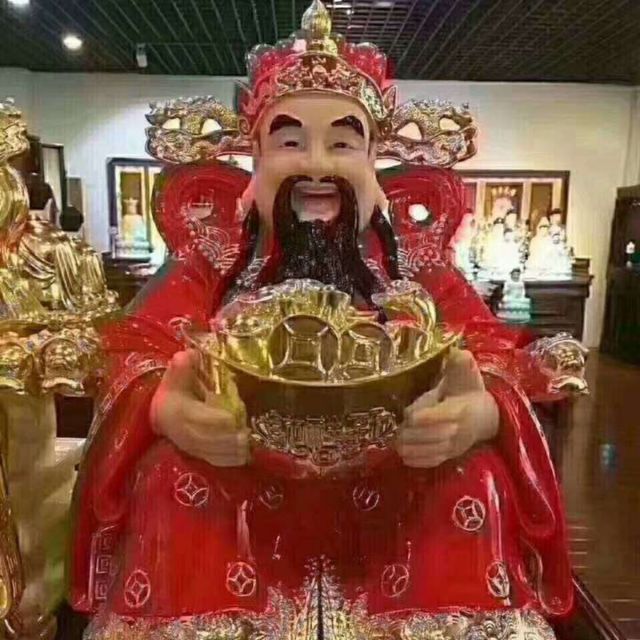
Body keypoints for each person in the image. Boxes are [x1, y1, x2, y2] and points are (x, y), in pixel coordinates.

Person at [70, 2, 584, 638]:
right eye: (289, 143)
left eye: (343, 143)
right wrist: (165, 408)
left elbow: (491, 351)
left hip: (393, 475)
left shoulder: (414, 261)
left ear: (374, 164)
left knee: (474, 476)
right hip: (242, 475)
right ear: (254, 162)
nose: (316, 165)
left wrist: (478, 412)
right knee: (168, 476)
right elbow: (136, 351)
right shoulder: (214, 255)